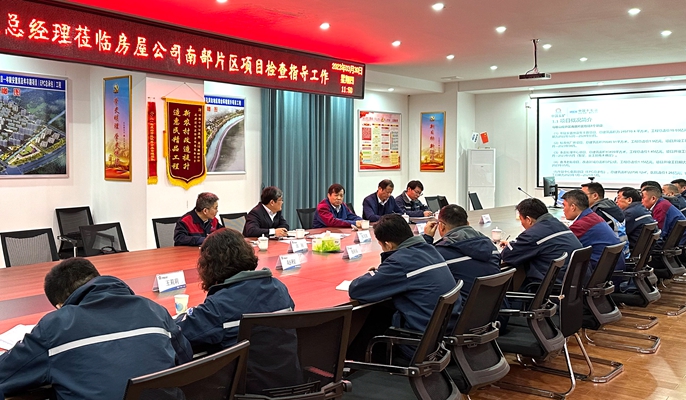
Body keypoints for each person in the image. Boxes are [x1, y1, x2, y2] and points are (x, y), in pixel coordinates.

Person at [0, 258, 192, 400]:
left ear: (60, 305)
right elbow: (185, 356)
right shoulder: (155, 310)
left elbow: (5, 373)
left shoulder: (55, 326)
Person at [348, 214, 459, 358]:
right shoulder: (431, 250)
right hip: (445, 336)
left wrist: (374, 274)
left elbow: (357, 289)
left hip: (419, 344)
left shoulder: (400, 262)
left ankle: (351, 363)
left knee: (375, 316)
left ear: (388, 245)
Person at [422, 204, 500, 311]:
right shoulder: (492, 248)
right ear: (468, 224)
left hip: (463, 316)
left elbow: (420, 265)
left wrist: (427, 239)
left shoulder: (441, 255)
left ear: (442, 226)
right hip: (495, 312)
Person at [500, 198, 582, 287]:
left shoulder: (533, 234)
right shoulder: (559, 224)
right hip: (573, 285)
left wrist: (516, 245)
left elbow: (507, 255)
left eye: (521, 220)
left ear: (528, 219)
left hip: (551, 288)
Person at [562, 189, 626, 281]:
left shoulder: (581, 225)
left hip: (600, 275)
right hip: (613, 270)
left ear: (573, 207)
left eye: (564, 206)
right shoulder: (593, 216)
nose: (563, 209)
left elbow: (563, 244)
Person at [581, 182, 629, 257]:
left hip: (612, 256)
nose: (580, 199)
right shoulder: (612, 206)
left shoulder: (598, 212)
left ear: (595, 196)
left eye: (583, 195)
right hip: (623, 252)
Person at [615, 187, 657, 252]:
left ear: (629, 200)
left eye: (618, 198)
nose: (616, 201)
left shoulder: (629, 213)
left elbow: (619, 234)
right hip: (644, 250)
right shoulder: (642, 208)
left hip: (633, 250)